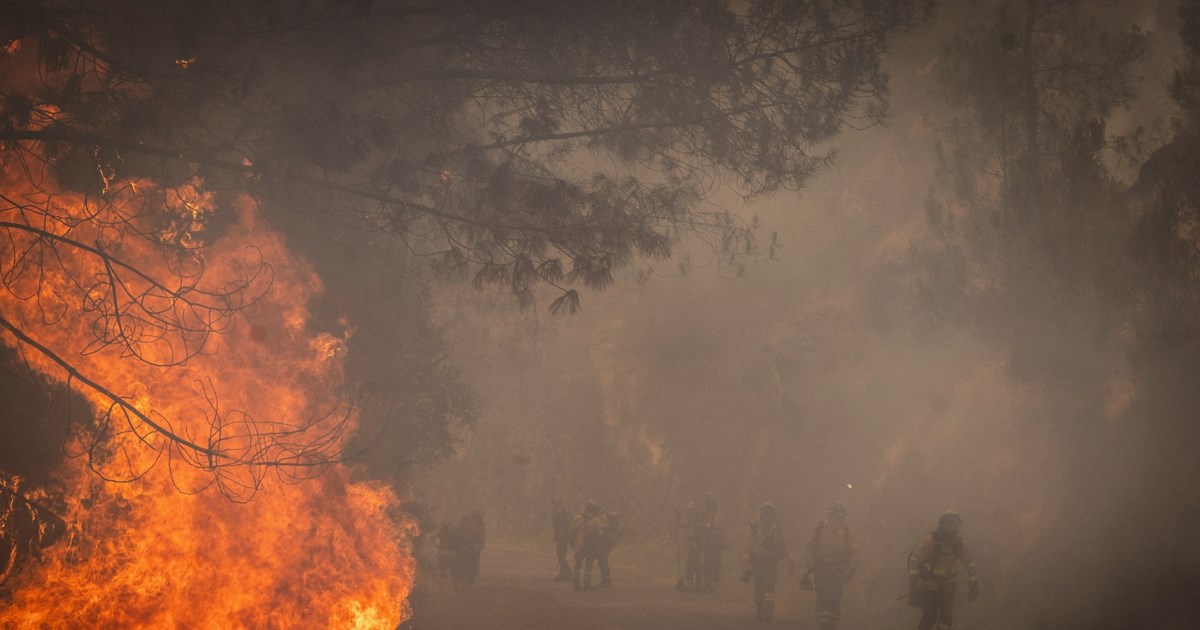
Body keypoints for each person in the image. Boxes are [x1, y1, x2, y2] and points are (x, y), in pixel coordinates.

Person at [908, 510, 979, 630]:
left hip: (948, 585)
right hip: (929, 585)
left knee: (946, 619)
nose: (954, 530)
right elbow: (914, 560)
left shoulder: (958, 544)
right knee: (930, 616)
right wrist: (914, 581)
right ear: (943, 525)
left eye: (956, 526)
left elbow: (970, 563)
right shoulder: (932, 541)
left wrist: (973, 585)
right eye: (952, 526)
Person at [805, 502, 857, 630]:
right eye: (835, 517)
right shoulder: (820, 528)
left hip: (838, 568)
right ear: (829, 516)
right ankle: (822, 622)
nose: (838, 520)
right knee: (821, 593)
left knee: (835, 594)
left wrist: (851, 568)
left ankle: (832, 622)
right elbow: (810, 546)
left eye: (840, 517)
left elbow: (854, 551)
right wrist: (809, 562)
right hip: (821, 567)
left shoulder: (847, 531)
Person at [744, 502, 793, 622]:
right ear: (762, 515)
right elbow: (748, 546)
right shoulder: (755, 528)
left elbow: (784, 545)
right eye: (766, 515)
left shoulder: (778, 529)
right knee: (759, 585)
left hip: (771, 560)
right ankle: (760, 611)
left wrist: (790, 560)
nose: (768, 519)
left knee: (770, 585)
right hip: (757, 559)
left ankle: (769, 612)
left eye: (770, 516)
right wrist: (746, 563)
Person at [572, 500, 607, 591]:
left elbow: (572, 530)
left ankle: (575, 585)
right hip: (590, 546)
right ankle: (586, 585)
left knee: (578, 564)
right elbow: (600, 534)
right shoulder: (596, 520)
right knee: (588, 565)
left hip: (579, 544)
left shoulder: (578, 518)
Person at [451, 510, 486, 589]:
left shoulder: (479, 525)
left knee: (472, 565)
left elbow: (482, 537)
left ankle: (469, 582)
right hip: (465, 546)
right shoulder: (466, 523)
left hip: (472, 548)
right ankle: (463, 581)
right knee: (464, 563)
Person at [596, 509, 620, 587]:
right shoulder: (612, 529)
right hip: (608, 544)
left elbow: (602, 535)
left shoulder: (609, 530)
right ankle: (606, 580)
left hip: (605, 545)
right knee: (603, 561)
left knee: (602, 561)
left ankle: (606, 581)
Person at [551, 497, 573, 581]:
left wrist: (562, 536)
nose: (554, 506)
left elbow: (562, 527)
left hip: (562, 538)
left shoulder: (561, 513)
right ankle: (565, 573)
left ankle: (566, 574)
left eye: (555, 504)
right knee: (560, 556)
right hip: (561, 537)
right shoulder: (559, 512)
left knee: (561, 556)